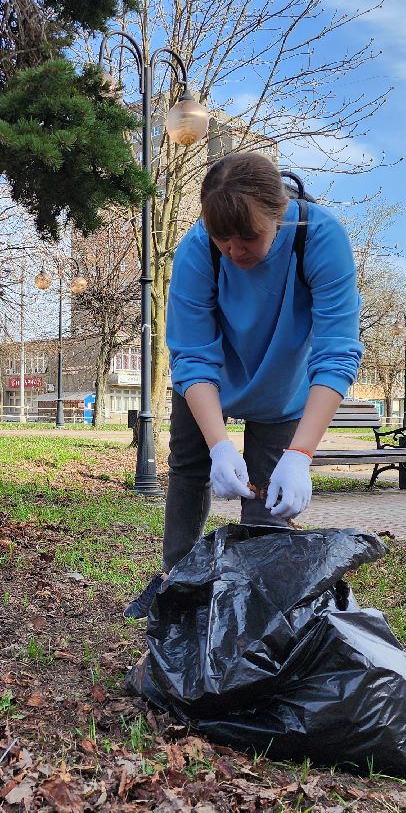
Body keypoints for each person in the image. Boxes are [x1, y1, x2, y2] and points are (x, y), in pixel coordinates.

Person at [160, 152, 363, 573]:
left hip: (281, 384)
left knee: (268, 509)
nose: (234, 250)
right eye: (222, 238)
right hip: (208, 385)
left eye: (247, 237)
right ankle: (176, 586)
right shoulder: (198, 248)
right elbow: (192, 355)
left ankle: (259, 605)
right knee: (189, 468)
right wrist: (218, 445)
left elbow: (336, 351)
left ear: (279, 213)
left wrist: (300, 454)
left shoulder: (320, 238)